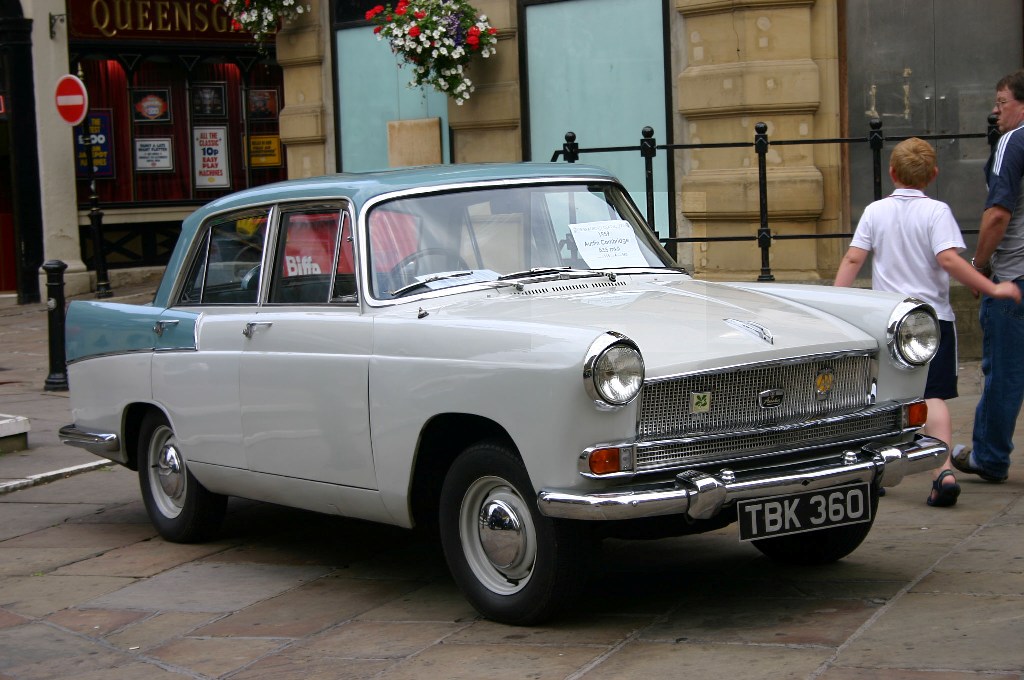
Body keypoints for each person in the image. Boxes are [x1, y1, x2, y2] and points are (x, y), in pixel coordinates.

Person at [835, 137, 1022, 507]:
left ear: (891, 172)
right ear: (933, 174)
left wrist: (836, 302)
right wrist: (991, 288)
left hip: (887, 319)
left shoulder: (875, 211)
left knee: (882, 397)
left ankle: (873, 471)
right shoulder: (937, 212)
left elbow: (854, 259)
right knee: (933, 395)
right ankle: (943, 472)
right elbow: (950, 261)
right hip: (932, 320)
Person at [954, 70, 1024, 484]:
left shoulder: (1013, 141)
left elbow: (998, 214)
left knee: (1005, 372)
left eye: (1001, 102)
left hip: (1014, 276)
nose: (994, 111)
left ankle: (989, 456)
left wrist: (978, 268)